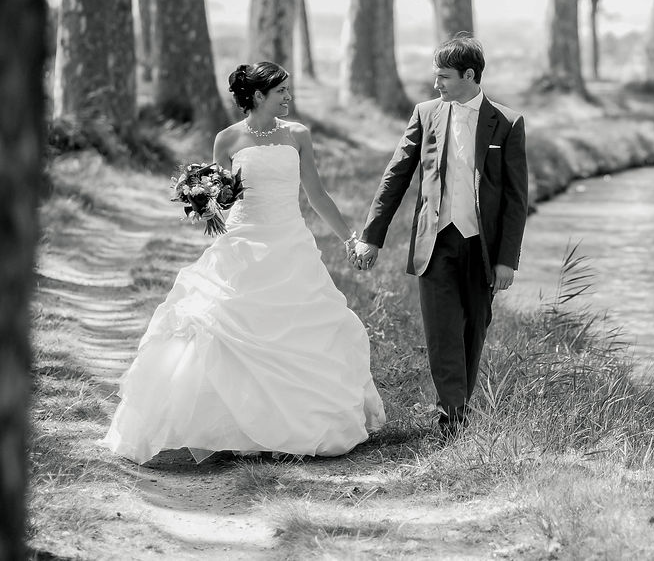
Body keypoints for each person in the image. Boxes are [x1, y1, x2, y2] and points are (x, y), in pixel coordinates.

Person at [102, 62, 385, 464]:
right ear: (257, 96)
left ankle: (288, 428)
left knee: (301, 331)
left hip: (289, 242)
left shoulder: (298, 136)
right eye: (281, 91)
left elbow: (317, 195)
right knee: (220, 326)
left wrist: (350, 238)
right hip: (242, 242)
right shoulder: (227, 139)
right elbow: (222, 199)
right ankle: (225, 426)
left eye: (288, 90)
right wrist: (201, 202)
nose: (289, 97)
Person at [351, 35, 528, 438]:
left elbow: (517, 199)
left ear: (469, 75)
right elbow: (396, 174)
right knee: (442, 331)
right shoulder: (426, 113)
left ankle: (458, 409)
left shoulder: (508, 122)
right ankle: (452, 417)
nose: (437, 85)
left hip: (482, 247)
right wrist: (371, 236)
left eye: (443, 77)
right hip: (436, 242)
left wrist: (506, 260)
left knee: (474, 330)